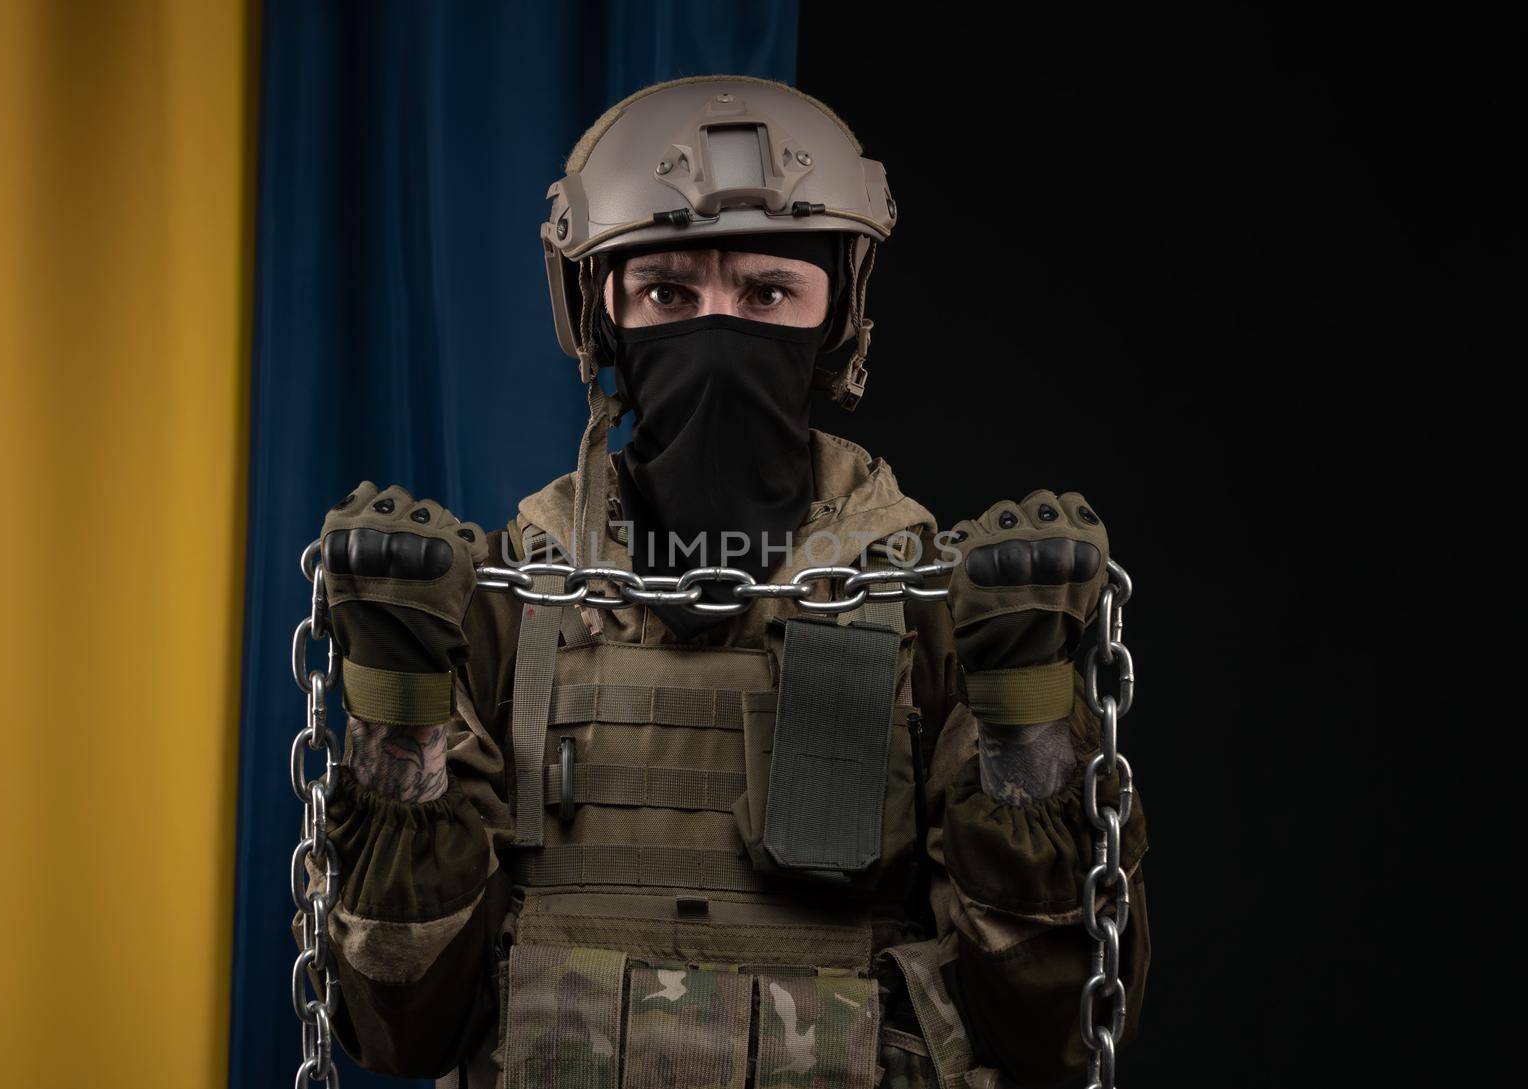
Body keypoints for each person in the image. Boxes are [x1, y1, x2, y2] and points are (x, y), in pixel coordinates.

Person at [302, 75, 1149, 1088]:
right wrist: (399, 711)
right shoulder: (497, 602)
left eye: (766, 293)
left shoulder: (945, 609)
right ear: (599, 311)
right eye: (667, 292)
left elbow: (1052, 1026)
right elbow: (399, 1027)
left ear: (837, 314)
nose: (718, 331)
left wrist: (1025, 719)